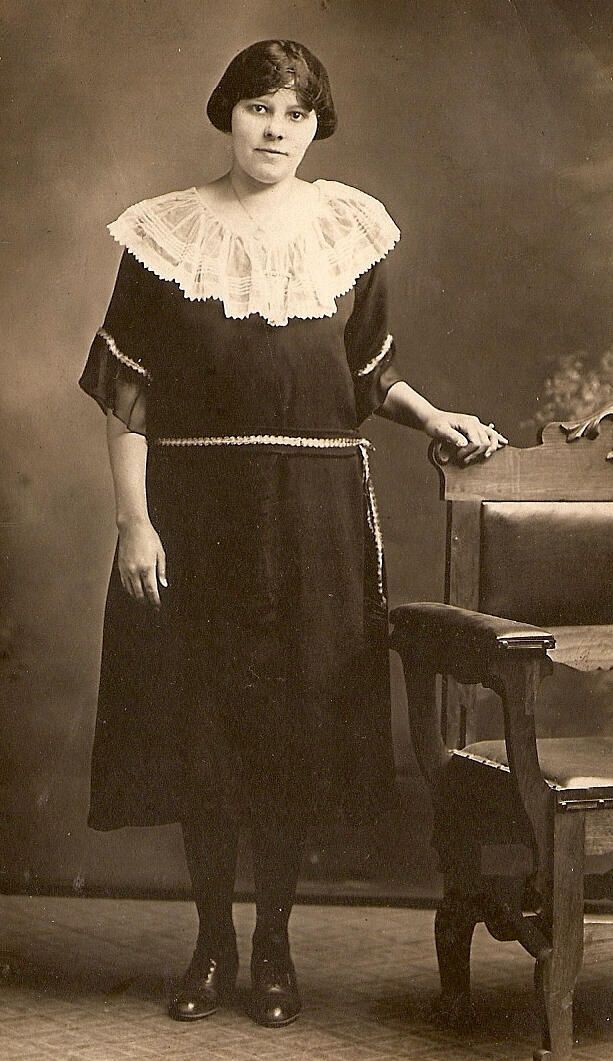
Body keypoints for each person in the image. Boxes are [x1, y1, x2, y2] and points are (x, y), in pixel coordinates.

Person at [79, 39, 507, 1030]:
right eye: (259, 108)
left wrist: (434, 417)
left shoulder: (348, 231)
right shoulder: (162, 235)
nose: (276, 130)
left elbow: (367, 374)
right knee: (203, 730)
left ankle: (272, 943)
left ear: (317, 126)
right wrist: (134, 521)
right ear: (227, 114)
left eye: (296, 113)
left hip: (313, 520)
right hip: (196, 514)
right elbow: (126, 394)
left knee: (288, 732)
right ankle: (211, 941)